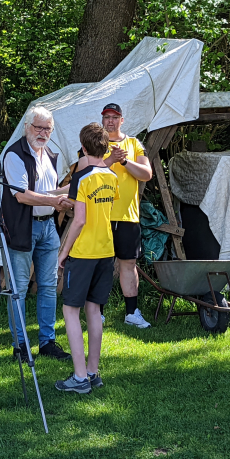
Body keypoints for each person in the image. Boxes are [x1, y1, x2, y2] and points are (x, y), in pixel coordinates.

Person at [2, 106, 74, 362]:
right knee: (19, 288)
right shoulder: (14, 154)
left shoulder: (50, 154)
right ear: (27, 127)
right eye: (38, 127)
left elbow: (48, 191)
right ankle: (20, 346)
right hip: (23, 227)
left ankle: (47, 342)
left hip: (48, 226)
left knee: (48, 286)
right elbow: (21, 195)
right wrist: (54, 201)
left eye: (48, 129)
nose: (43, 133)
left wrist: (69, 192)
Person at [77, 103, 153, 328]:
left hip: (128, 216)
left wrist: (124, 161)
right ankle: (97, 312)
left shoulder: (134, 143)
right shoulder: (95, 143)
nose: (110, 121)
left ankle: (132, 312)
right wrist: (110, 160)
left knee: (128, 263)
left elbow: (146, 174)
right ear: (102, 120)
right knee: (100, 264)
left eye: (114, 117)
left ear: (122, 120)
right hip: (99, 215)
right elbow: (83, 172)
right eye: (107, 117)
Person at [56, 123, 119, 394]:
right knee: (94, 310)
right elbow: (101, 209)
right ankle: (93, 372)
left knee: (70, 310)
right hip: (106, 250)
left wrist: (64, 252)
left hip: (83, 252)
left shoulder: (83, 177)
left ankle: (80, 377)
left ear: (82, 148)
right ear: (105, 147)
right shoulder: (112, 176)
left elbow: (80, 220)